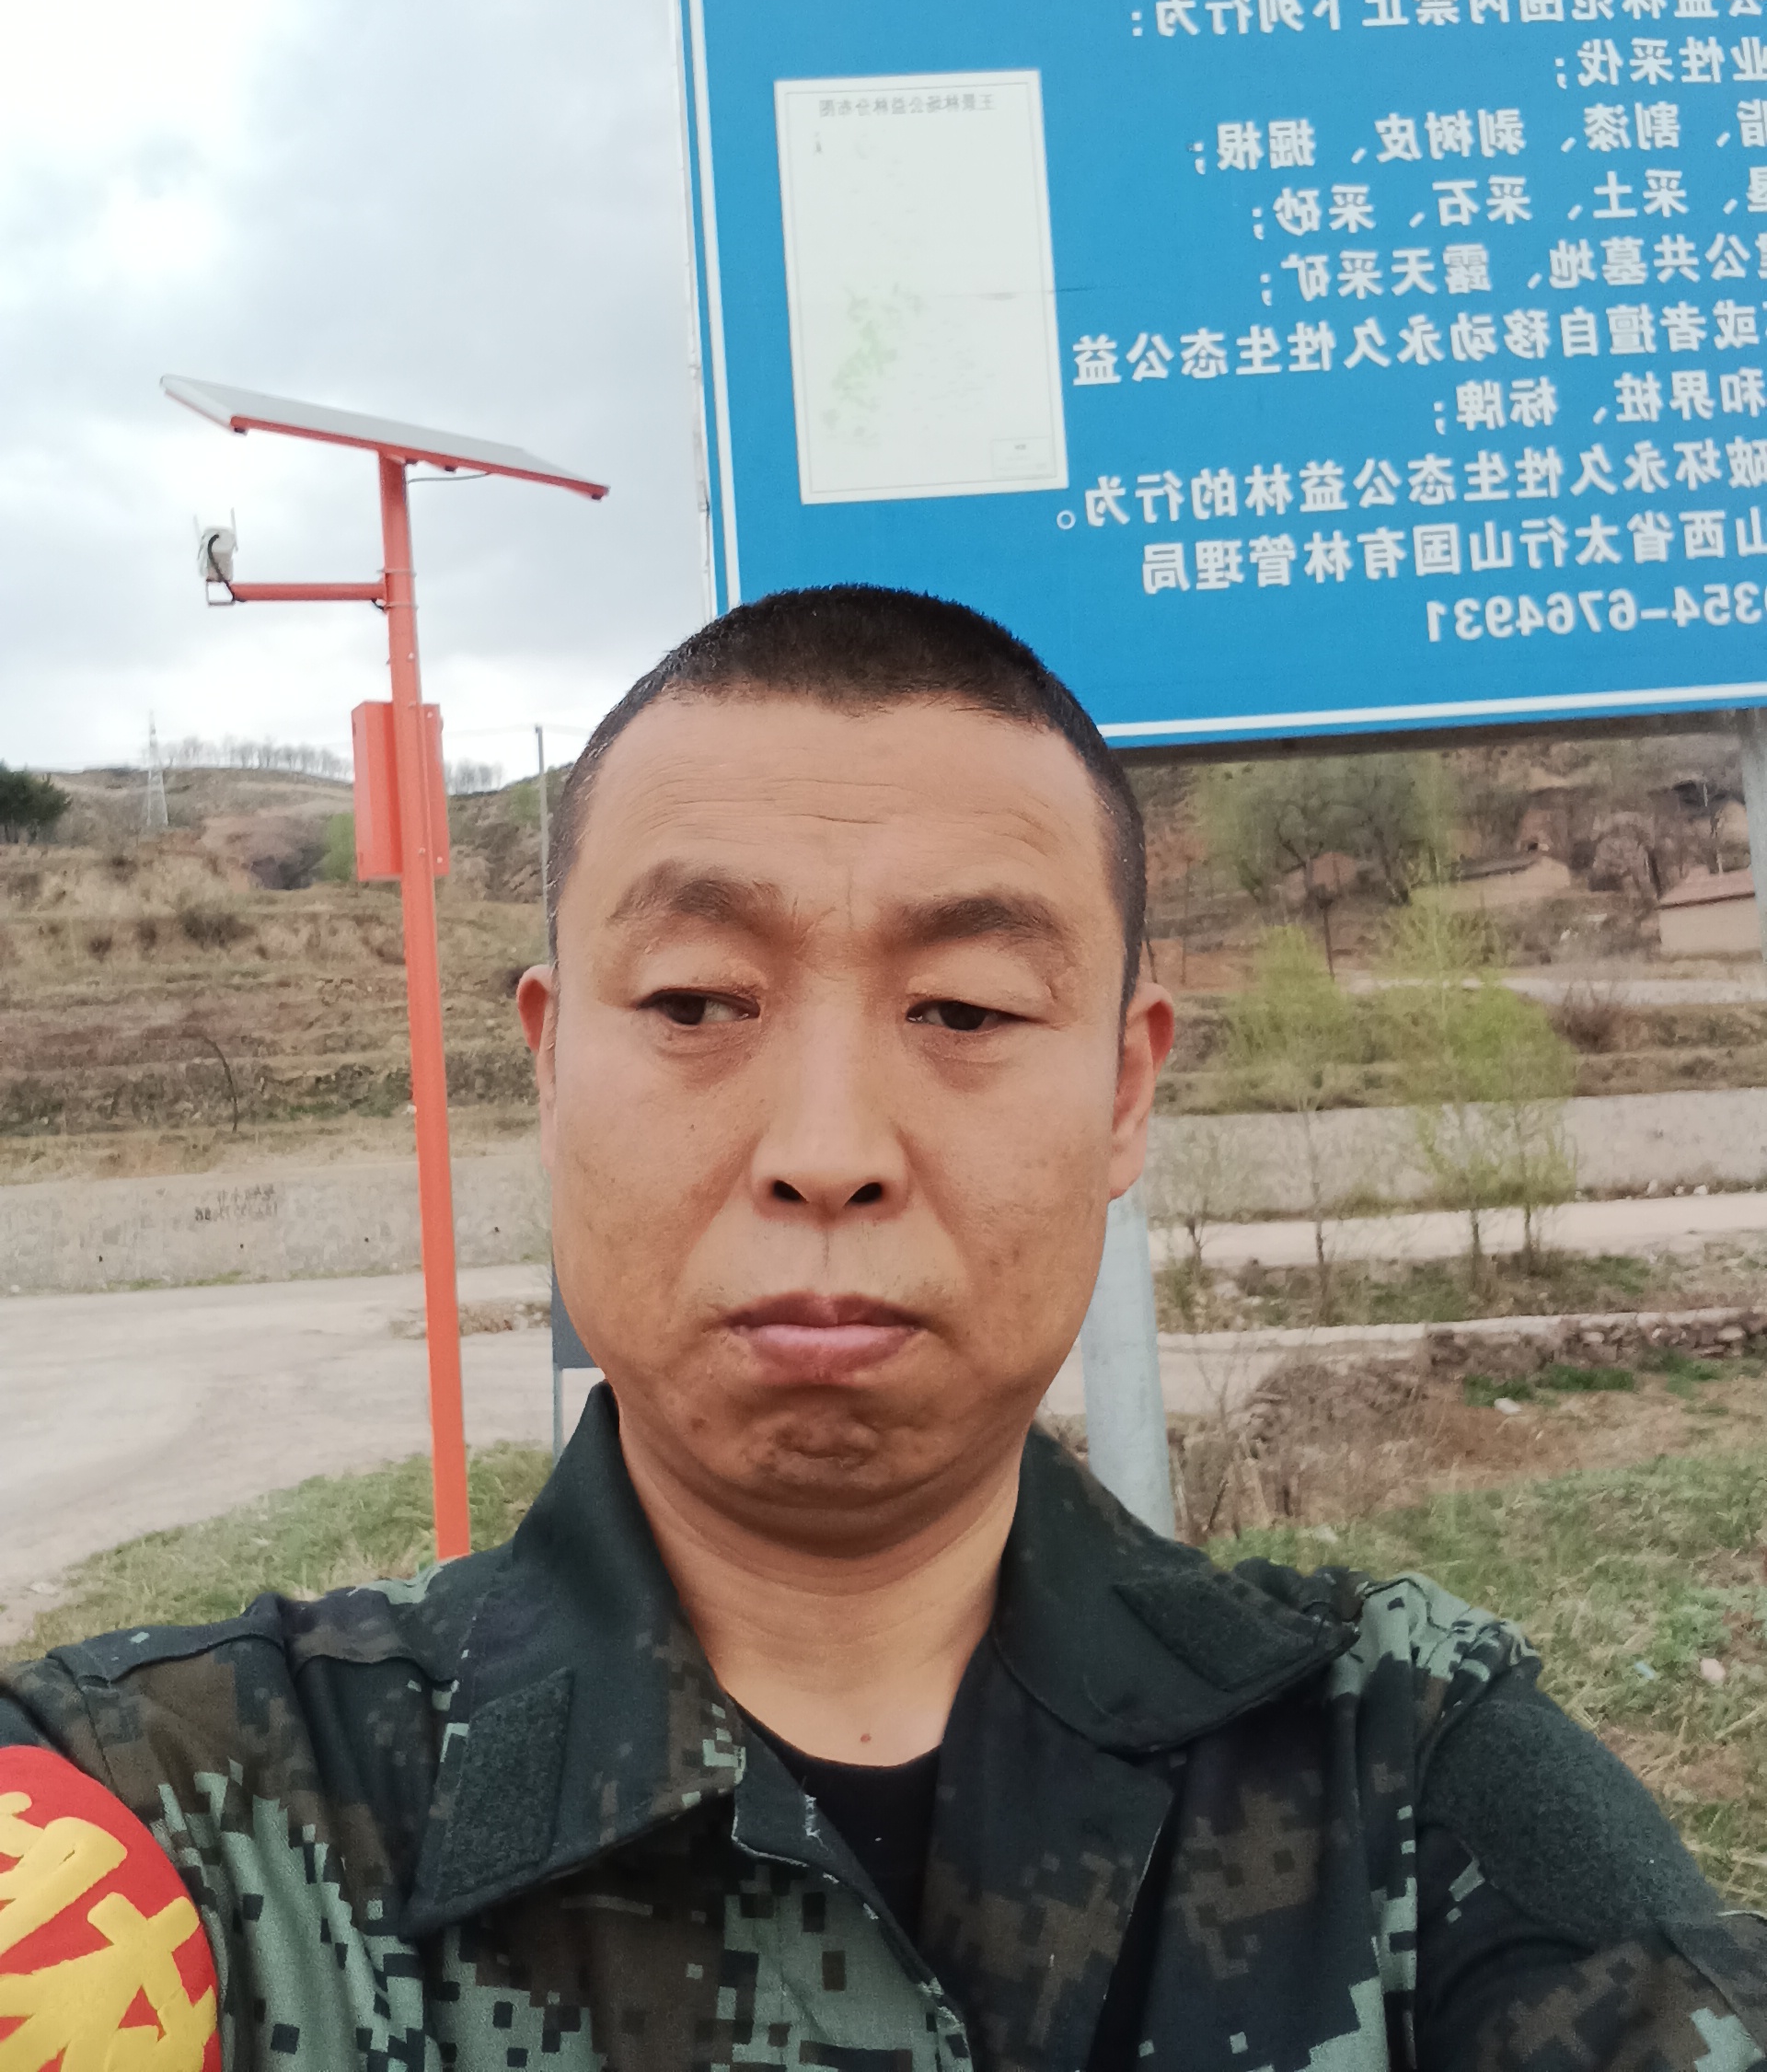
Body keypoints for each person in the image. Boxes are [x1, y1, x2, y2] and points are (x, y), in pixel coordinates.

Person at [2, 584, 1762, 2072]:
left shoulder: (1407, 1770)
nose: (829, 1149)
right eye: (698, 1000)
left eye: (966, 1009)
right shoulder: (169, 1819)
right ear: (549, 1064)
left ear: (1125, 1093)